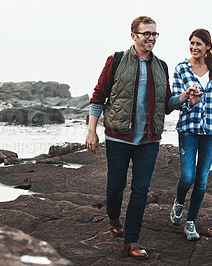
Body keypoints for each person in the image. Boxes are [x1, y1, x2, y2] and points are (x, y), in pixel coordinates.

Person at [85, 16, 199, 259]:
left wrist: (184, 97)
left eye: (154, 34)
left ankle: (131, 241)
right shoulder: (116, 61)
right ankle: (114, 217)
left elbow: (166, 104)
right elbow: (98, 96)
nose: (151, 38)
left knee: (141, 189)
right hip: (118, 138)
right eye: (146, 33)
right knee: (116, 186)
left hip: (149, 140)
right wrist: (91, 131)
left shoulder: (161, 66)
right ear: (133, 35)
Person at [169, 29, 212, 241]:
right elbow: (176, 103)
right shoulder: (181, 69)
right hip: (188, 129)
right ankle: (179, 202)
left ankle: (191, 222)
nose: (194, 47)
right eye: (192, 43)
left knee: (202, 181)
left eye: (199, 44)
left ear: (208, 47)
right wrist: (189, 99)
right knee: (188, 177)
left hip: (211, 132)